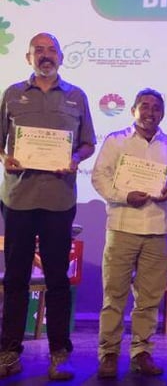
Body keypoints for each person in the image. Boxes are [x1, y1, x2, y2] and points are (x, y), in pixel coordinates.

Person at [0, 32, 96, 381]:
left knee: (57, 279)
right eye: (38, 50)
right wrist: (6, 157)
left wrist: (74, 158)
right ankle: (9, 351)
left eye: (51, 50)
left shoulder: (76, 97)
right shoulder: (12, 94)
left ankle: (60, 354)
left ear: (60, 56)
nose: (45, 55)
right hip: (19, 199)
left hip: (58, 200)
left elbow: (88, 144)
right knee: (15, 279)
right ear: (28, 58)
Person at [91, 88, 167, 378]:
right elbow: (99, 177)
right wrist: (123, 195)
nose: (150, 112)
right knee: (114, 296)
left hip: (157, 230)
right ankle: (108, 353)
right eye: (144, 106)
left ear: (162, 113)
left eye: (156, 107)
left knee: (149, 299)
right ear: (133, 110)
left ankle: (142, 352)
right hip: (121, 227)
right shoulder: (116, 141)